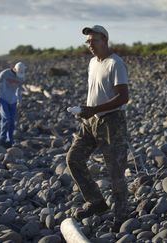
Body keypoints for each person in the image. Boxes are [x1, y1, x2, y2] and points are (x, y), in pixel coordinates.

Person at [66, 25, 130, 232]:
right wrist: (87, 111)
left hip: (112, 123)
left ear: (104, 40)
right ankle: (96, 202)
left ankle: (121, 216)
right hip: (90, 121)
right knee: (73, 159)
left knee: (115, 172)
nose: (89, 45)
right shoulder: (93, 62)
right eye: (87, 42)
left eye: (93, 41)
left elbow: (123, 97)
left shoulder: (116, 63)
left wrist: (94, 109)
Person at [0, 62, 26, 148]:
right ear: (14, 69)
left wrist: (19, 101)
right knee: (7, 118)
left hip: (13, 101)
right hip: (3, 99)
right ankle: (2, 139)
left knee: (12, 122)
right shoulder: (5, 73)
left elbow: (19, 90)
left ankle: (10, 142)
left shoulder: (20, 77)